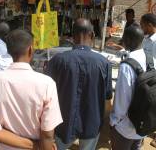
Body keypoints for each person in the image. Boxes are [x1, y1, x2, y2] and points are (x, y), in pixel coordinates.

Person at [0, 30, 63, 150]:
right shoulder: (46, 84)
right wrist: (37, 146)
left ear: (9, 51)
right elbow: (47, 135)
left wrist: (33, 145)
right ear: (30, 50)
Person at [46, 18, 112, 150]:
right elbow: (107, 99)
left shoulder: (57, 61)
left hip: (62, 122)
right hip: (91, 121)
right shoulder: (104, 63)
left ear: (72, 36)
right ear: (93, 35)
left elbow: (46, 95)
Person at [110, 25, 147, 150]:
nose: (122, 40)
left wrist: (114, 122)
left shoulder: (126, 66)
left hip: (125, 128)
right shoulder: (151, 59)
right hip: (143, 124)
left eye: (124, 38)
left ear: (129, 40)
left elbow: (121, 101)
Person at [140, 13, 156, 147]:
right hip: (147, 77)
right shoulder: (146, 39)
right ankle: (146, 126)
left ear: (150, 25)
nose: (141, 27)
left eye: (143, 25)